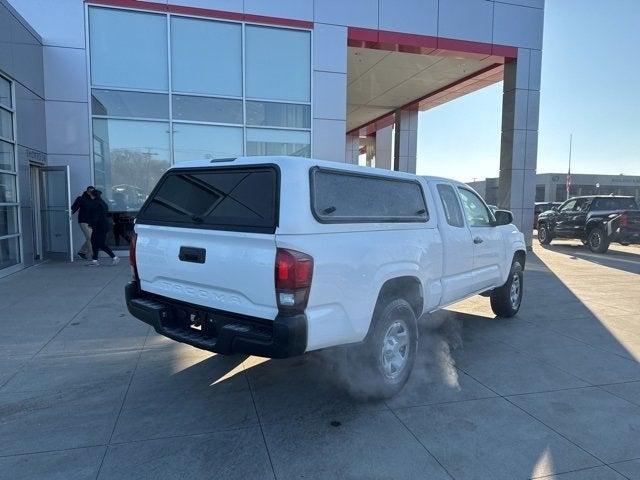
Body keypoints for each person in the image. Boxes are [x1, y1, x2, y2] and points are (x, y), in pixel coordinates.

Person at [86, 190, 119, 267]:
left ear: (92, 195)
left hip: (99, 226)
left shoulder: (95, 204)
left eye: (90, 194)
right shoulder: (102, 202)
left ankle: (114, 257)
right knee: (94, 242)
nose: (90, 196)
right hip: (102, 225)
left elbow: (96, 216)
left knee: (100, 243)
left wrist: (91, 224)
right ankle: (95, 260)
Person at [71, 186, 95, 259]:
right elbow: (73, 208)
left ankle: (82, 252)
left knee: (92, 238)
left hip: (93, 222)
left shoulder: (95, 199)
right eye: (90, 191)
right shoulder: (81, 199)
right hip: (83, 221)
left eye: (93, 191)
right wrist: (68, 215)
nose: (91, 193)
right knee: (90, 238)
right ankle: (93, 256)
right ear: (87, 191)